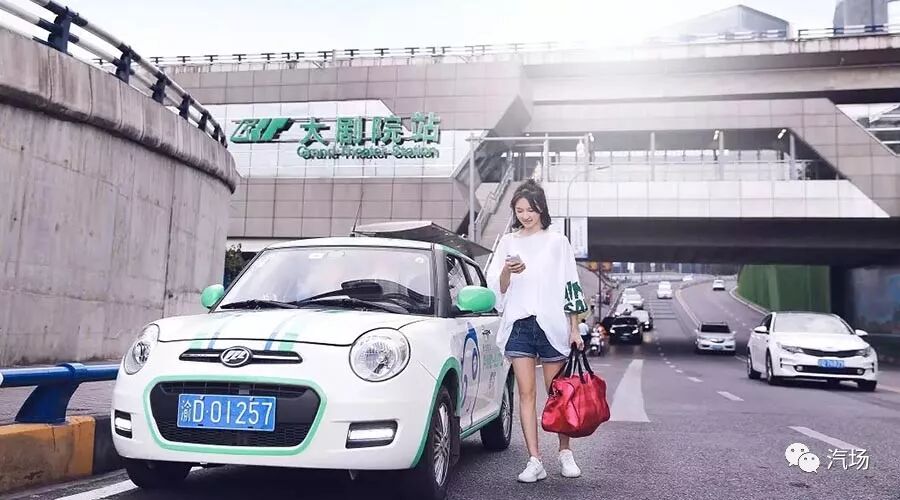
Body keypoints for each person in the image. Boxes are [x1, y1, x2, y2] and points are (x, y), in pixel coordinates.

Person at [486, 179, 589, 483]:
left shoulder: (557, 241)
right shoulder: (508, 242)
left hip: (551, 324)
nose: (525, 215)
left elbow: (571, 284)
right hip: (520, 324)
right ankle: (534, 460)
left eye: (530, 209)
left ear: (541, 208)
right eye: (519, 210)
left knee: (558, 394)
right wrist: (507, 271)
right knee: (526, 395)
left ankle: (565, 453)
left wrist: (574, 328)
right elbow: (497, 288)